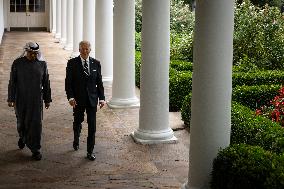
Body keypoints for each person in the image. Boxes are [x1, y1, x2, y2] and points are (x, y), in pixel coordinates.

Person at [7, 42, 52, 161]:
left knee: (36, 124)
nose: (33, 55)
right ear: (26, 51)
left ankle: (35, 149)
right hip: (20, 99)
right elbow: (13, 82)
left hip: (36, 100)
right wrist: (11, 98)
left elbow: (46, 83)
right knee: (22, 121)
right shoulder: (17, 63)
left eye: (36, 53)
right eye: (31, 53)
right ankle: (23, 137)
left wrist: (47, 99)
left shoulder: (42, 64)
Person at [65, 41, 106, 161]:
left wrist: (102, 98)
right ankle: (76, 139)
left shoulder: (96, 63)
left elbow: (99, 83)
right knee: (78, 121)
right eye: (82, 49)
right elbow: (68, 83)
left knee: (92, 126)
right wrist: (71, 97)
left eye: (87, 49)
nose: (85, 51)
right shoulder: (72, 63)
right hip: (78, 100)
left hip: (92, 100)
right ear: (79, 50)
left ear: (90, 50)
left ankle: (90, 151)